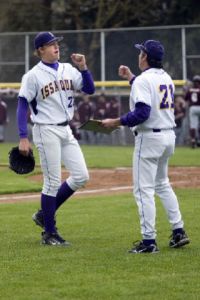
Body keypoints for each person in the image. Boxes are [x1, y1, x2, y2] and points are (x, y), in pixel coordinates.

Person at [101, 39, 190, 253]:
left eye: (141, 52)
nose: (139, 55)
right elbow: (149, 92)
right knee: (162, 184)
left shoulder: (144, 80)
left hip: (149, 138)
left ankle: (149, 242)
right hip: (168, 137)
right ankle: (178, 231)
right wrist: (131, 77)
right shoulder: (166, 77)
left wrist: (116, 122)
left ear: (145, 57)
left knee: (143, 190)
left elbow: (142, 113)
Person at [17, 31, 95, 246]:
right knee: (51, 182)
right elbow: (22, 104)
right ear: (41, 49)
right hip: (45, 129)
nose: (56, 47)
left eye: (57, 44)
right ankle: (49, 233)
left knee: (81, 176)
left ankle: (44, 215)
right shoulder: (33, 75)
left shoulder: (68, 69)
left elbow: (90, 89)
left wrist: (84, 68)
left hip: (65, 129)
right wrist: (23, 137)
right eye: (51, 44)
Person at [185, 75, 200, 148]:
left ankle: (193, 140)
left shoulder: (190, 90)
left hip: (193, 107)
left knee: (193, 126)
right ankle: (199, 140)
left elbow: (186, 99)